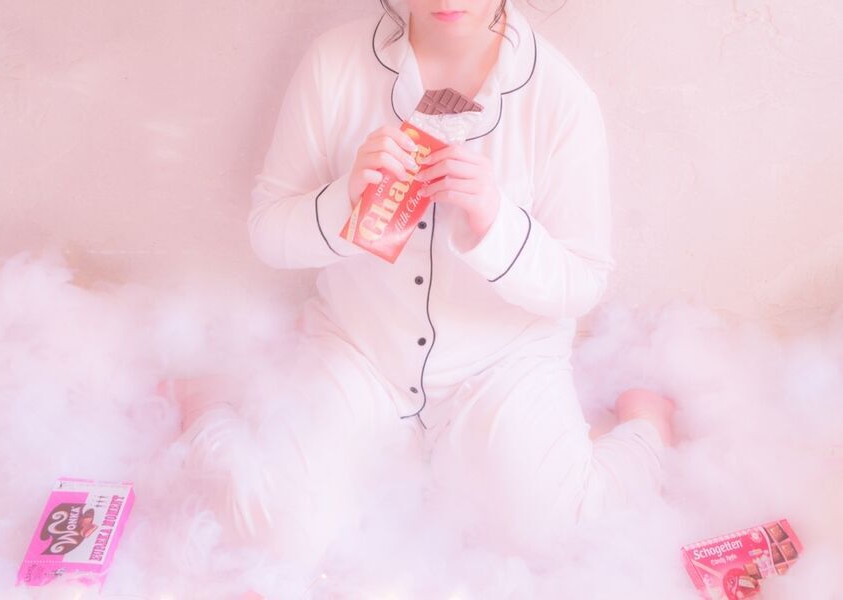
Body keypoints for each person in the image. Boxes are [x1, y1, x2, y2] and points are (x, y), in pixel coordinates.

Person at [172, 0, 675, 572]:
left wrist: (497, 223)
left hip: (503, 363)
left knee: (564, 539)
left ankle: (648, 424)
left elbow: (583, 281)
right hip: (360, 351)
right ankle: (205, 403)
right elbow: (269, 231)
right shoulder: (334, 63)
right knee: (272, 539)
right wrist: (346, 199)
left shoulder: (559, 96)